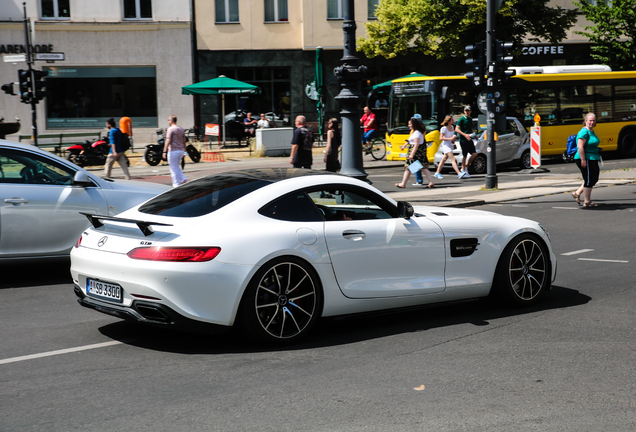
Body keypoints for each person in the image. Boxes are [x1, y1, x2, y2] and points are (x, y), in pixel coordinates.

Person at [571, 113, 601, 208]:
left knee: (593, 178)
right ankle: (587, 202)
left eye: (593, 120)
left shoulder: (591, 131)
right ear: (586, 121)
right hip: (585, 158)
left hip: (592, 157)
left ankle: (577, 193)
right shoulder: (584, 132)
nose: (592, 122)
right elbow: (580, 146)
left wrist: (598, 149)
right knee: (589, 179)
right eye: (590, 121)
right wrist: (583, 160)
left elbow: (590, 144)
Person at [395, 117, 435, 189]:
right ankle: (431, 182)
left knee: (409, 168)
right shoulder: (416, 132)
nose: (408, 126)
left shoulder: (417, 133)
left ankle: (403, 183)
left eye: (409, 124)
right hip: (419, 154)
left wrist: (412, 154)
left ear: (413, 125)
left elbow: (416, 145)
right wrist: (404, 146)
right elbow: (410, 141)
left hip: (416, 154)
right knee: (422, 168)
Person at [433, 115, 463, 179]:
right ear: (449, 121)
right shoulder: (444, 128)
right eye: (452, 120)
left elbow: (452, 136)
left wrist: (453, 140)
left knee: (444, 159)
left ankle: (437, 172)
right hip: (446, 145)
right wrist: (450, 139)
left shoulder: (452, 127)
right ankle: (459, 173)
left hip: (450, 145)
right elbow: (441, 138)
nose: (453, 121)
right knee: (453, 159)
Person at [163, 115, 187, 187]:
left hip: (173, 150)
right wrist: (184, 150)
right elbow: (184, 140)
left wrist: (164, 150)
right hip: (180, 150)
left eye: (168, 120)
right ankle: (182, 178)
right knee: (176, 166)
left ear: (171, 121)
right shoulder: (181, 129)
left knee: (173, 168)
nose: (168, 121)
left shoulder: (170, 129)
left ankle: (176, 184)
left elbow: (168, 140)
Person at [456, 105, 477, 178]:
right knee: (464, 155)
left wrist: (474, 134)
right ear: (464, 111)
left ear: (470, 111)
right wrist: (465, 135)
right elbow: (457, 129)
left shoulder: (470, 119)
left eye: (468, 111)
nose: (467, 112)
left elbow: (470, 128)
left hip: (469, 139)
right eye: (466, 111)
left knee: (474, 154)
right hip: (463, 140)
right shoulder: (461, 119)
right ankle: (464, 170)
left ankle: (465, 167)